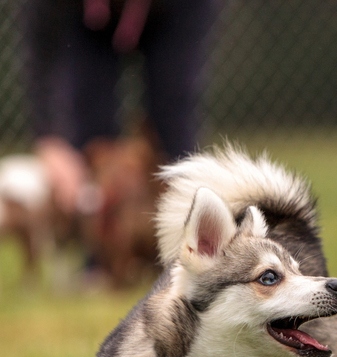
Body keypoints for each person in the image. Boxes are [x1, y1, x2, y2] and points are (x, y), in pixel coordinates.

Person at [21, 0, 220, 218]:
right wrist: (50, 137)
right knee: (91, 142)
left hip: (175, 8)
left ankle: (181, 226)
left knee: (174, 138)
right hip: (88, 16)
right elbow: (41, 47)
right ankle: (96, 230)